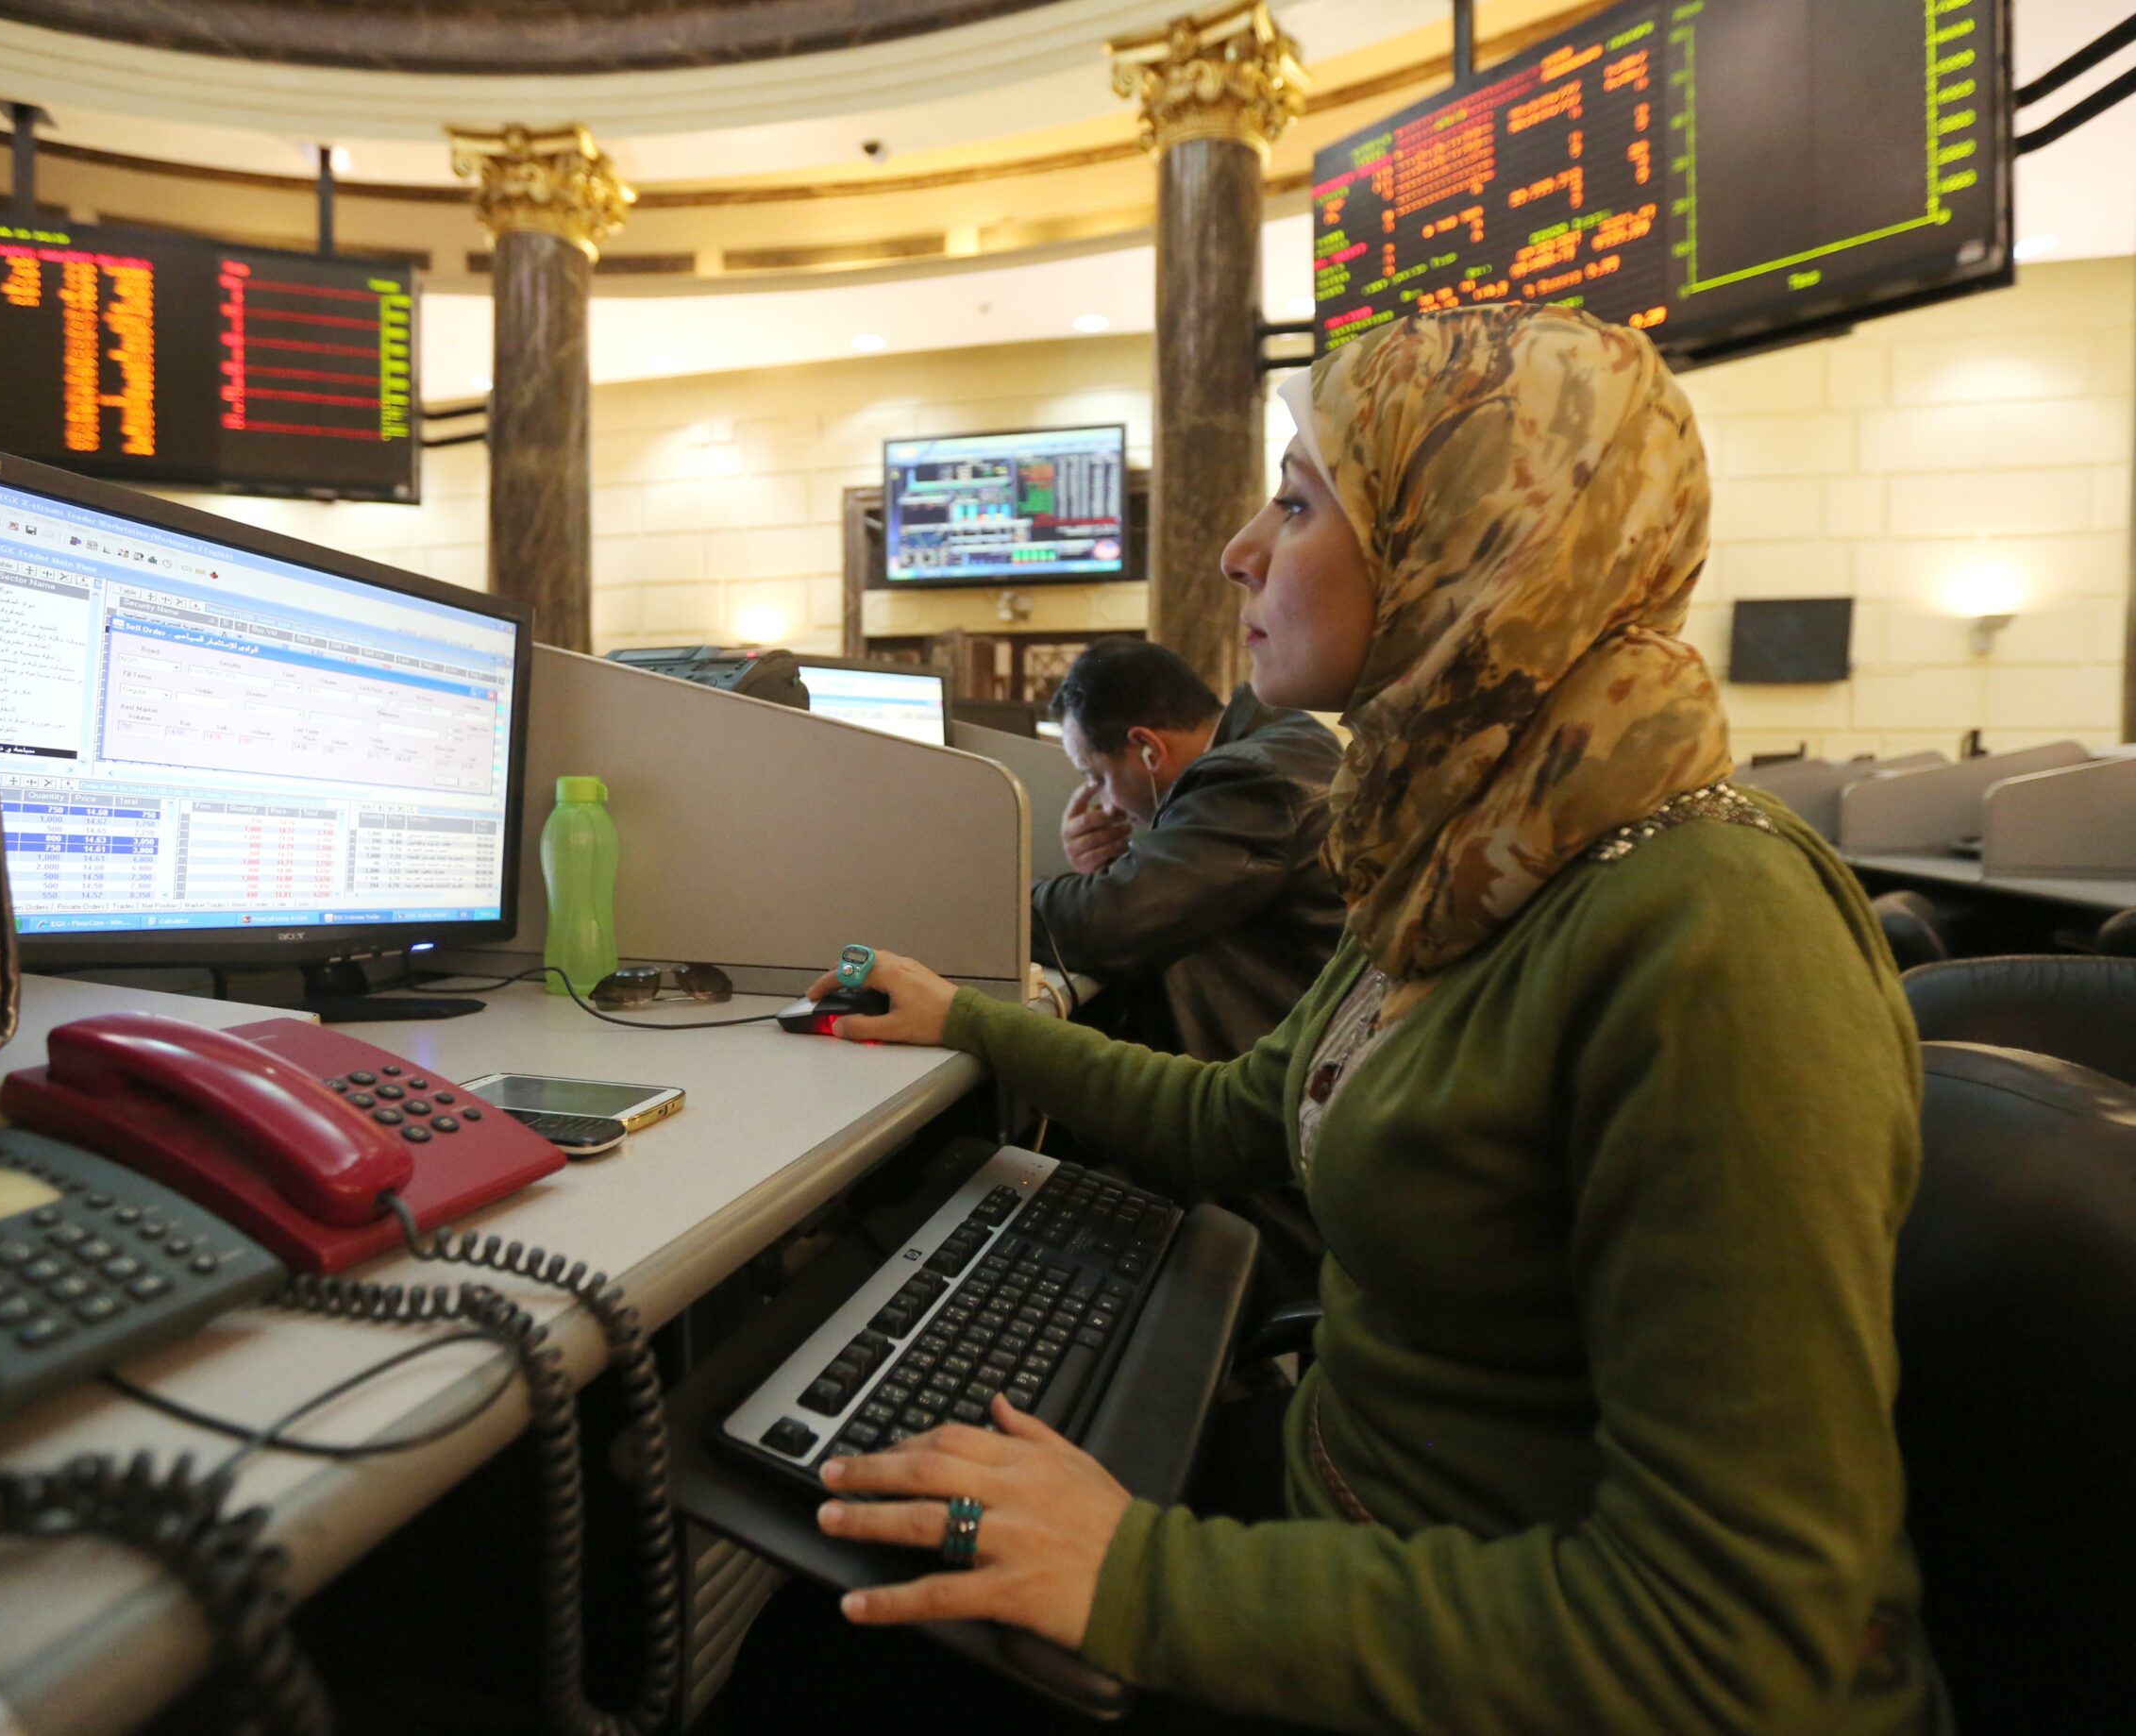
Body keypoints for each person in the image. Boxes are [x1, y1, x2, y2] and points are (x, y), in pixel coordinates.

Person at [778, 305, 1943, 1732]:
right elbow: (1244, 1111)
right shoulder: (1465, 851)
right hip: (1351, 1527)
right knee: (827, 1553)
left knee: (811, 1637)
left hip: (1453, 1640)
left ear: (1471, 536)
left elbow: (1732, 1644)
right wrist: (968, 1019)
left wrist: (1142, 1576)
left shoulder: (1715, 926)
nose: (1239, 551)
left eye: (1299, 499)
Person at [1037, 638, 1347, 1062]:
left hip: (1269, 1080)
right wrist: (1105, 867)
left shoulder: (1251, 778)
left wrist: (1003, 907)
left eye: (1099, 776)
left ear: (1149, 748)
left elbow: (1110, 921)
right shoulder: (1280, 737)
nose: (1105, 804)